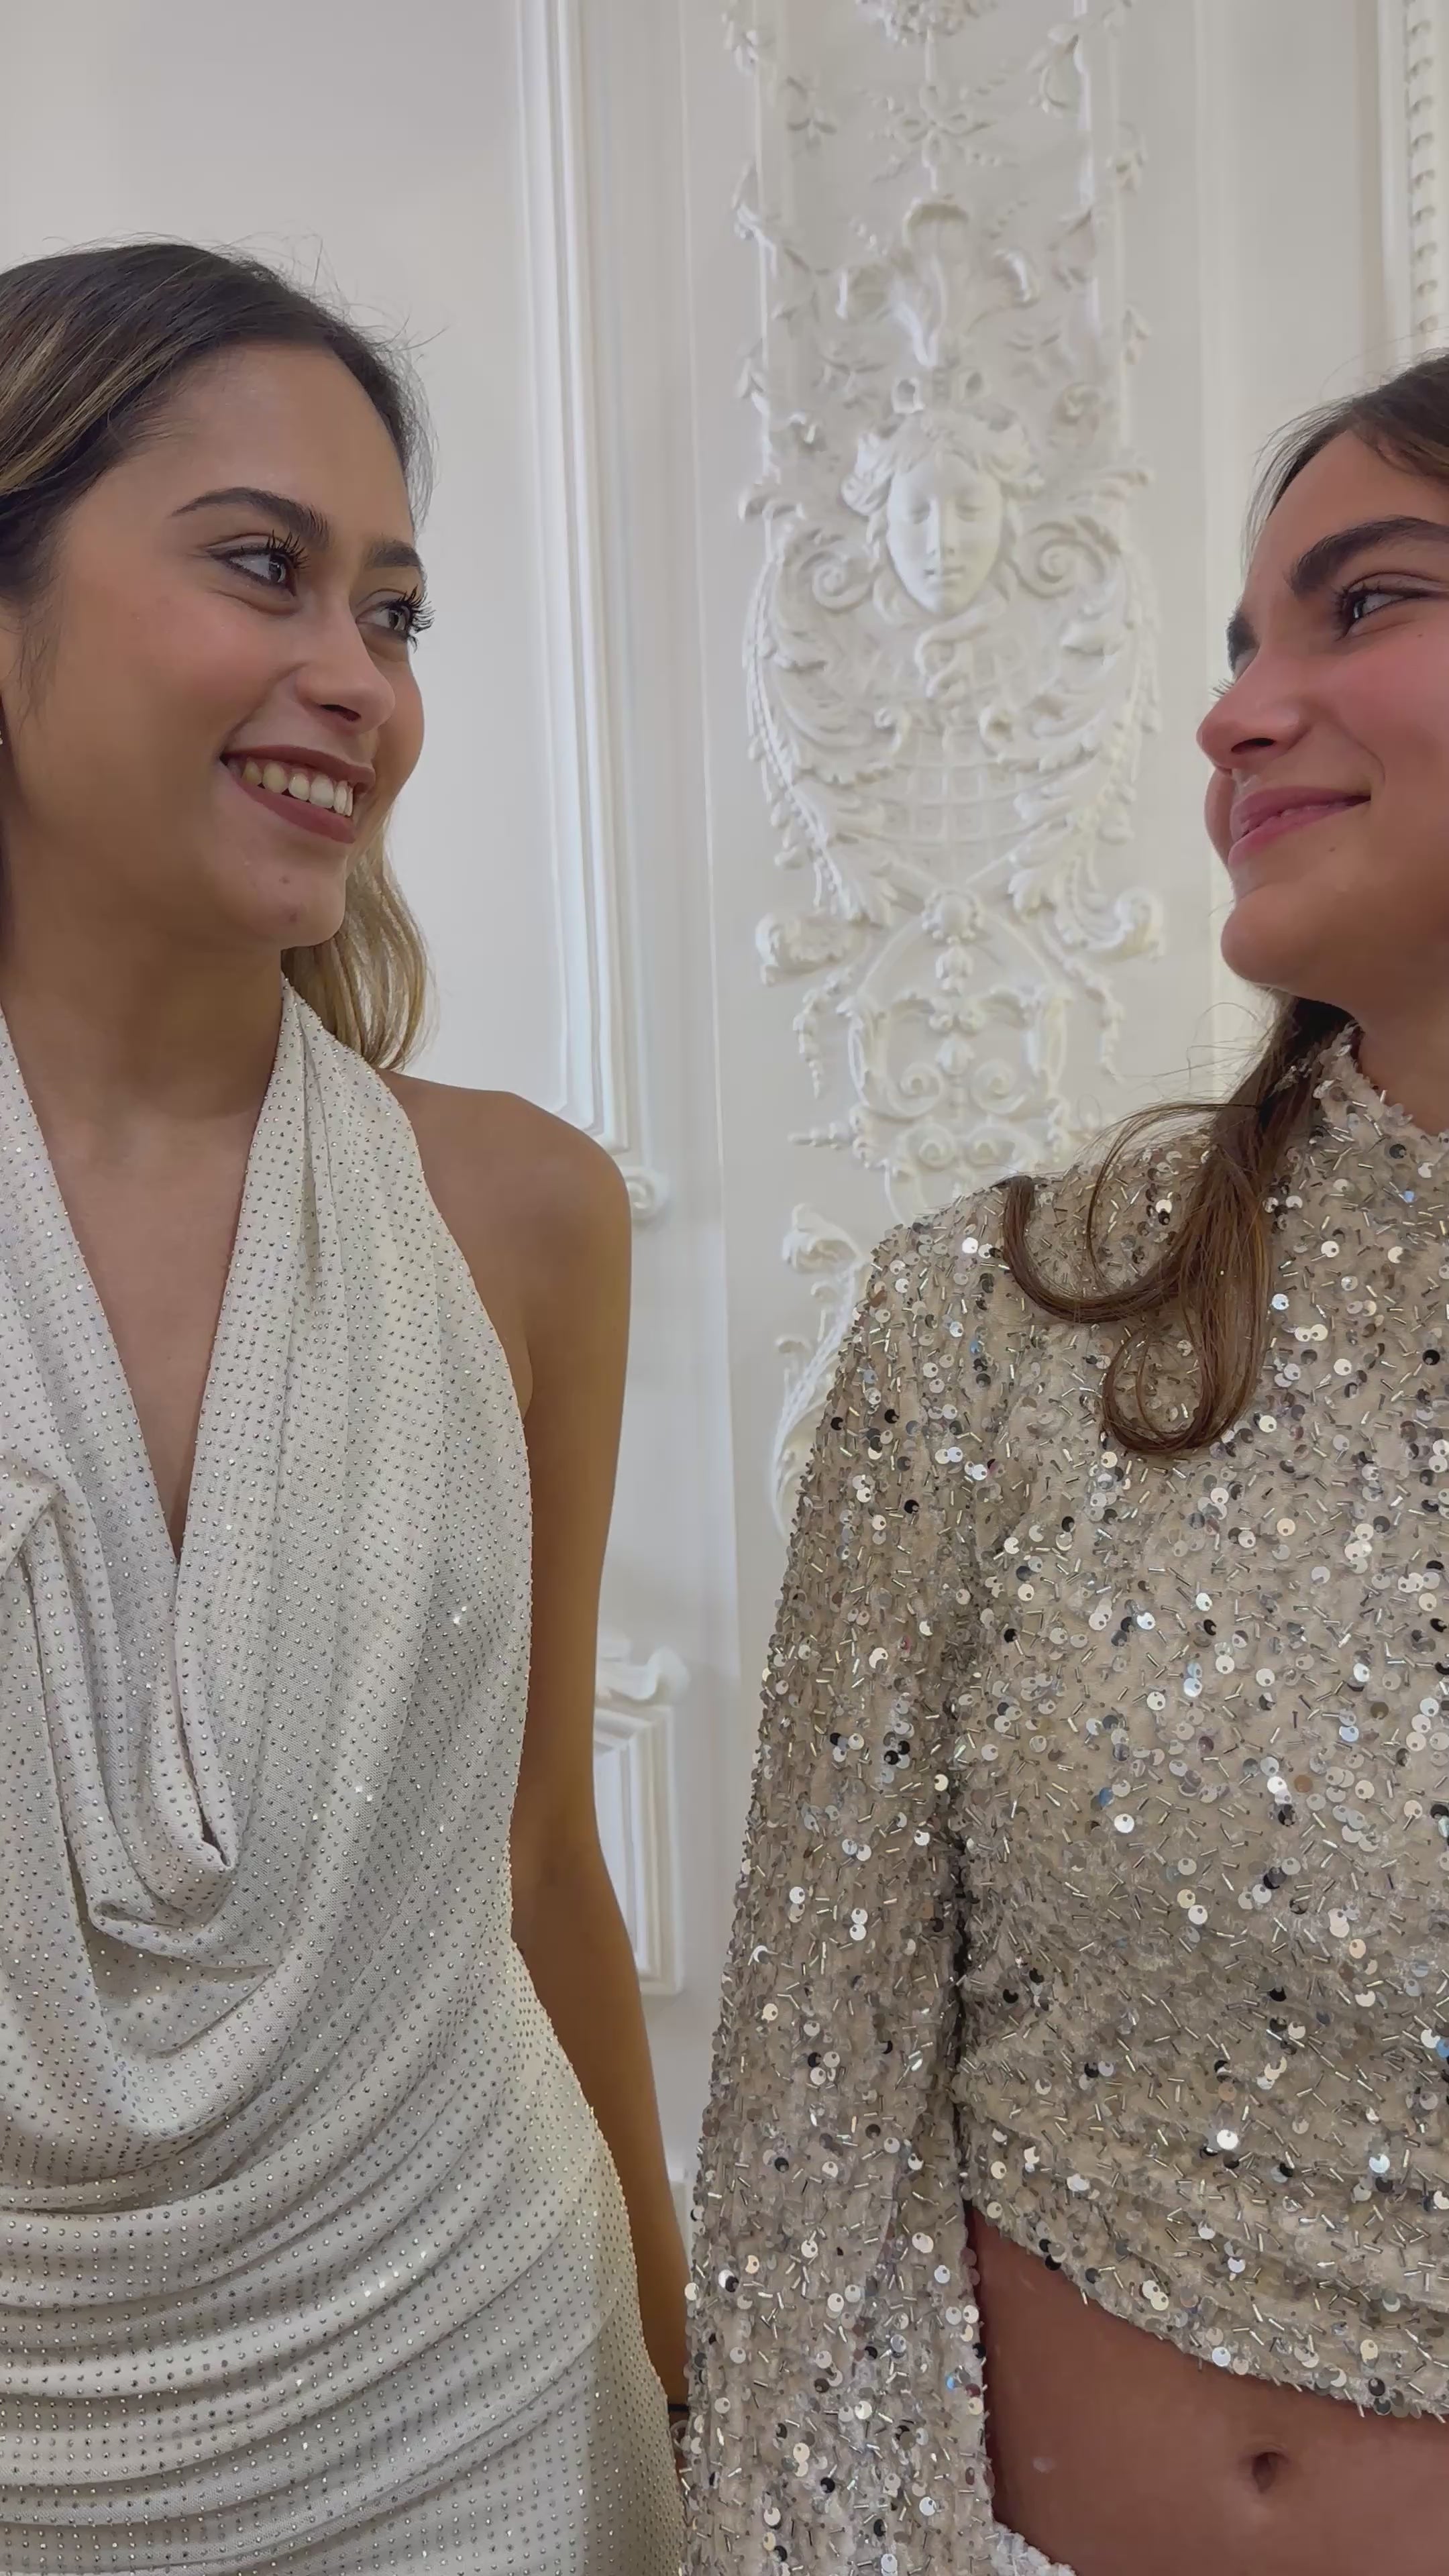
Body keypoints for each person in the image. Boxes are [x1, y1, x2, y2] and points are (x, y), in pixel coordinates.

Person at [682, 347, 1449, 2576]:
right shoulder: (1008, 1318)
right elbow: (813, 2118)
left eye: (1363, 604)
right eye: (1239, 642)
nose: (1233, 718)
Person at [0, 239, 685, 2574]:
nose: (357, 681)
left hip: (491, 2415)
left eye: (392, 611)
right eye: (260, 567)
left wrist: (680, 2363)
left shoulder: (522, 1214)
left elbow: (536, 1856)